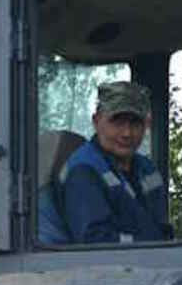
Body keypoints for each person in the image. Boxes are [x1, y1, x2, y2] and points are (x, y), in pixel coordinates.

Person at [59, 80, 173, 244]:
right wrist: (144, 243)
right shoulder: (84, 171)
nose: (127, 133)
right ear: (96, 121)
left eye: (135, 123)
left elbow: (162, 229)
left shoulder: (148, 169)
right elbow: (94, 241)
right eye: (117, 122)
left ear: (146, 125)